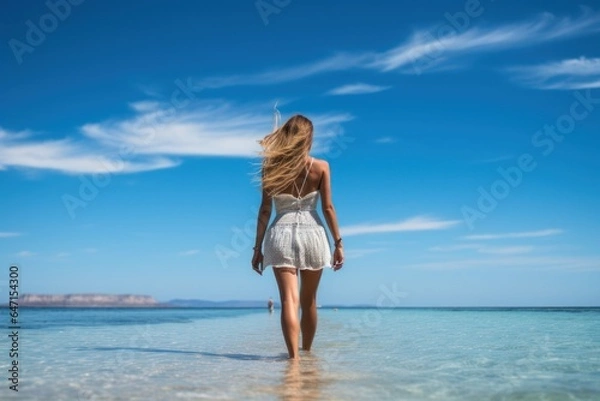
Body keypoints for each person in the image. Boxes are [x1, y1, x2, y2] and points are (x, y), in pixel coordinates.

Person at [251, 114, 344, 359]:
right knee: (309, 300)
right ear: (308, 138)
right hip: (313, 234)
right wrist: (338, 243)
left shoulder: (271, 167)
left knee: (289, 301)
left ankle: (293, 362)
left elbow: (264, 210)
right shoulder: (321, 167)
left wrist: (257, 248)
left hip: (280, 234)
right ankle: (308, 355)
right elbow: (328, 208)